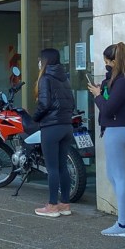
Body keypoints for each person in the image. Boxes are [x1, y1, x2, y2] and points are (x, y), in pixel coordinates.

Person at [87, 42, 125, 235]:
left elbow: (108, 108)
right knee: (114, 175)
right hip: (118, 129)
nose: (106, 65)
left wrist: (97, 95)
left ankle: (123, 223)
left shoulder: (124, 80)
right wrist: (103, 88)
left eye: (107, 62)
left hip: (116, 130)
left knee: (118, 177)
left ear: (114, 61)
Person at [31, 48, 76, 218]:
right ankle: (65, 204)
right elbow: (71, 103)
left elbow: (44, 104)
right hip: (66, 126)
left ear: (44, 61)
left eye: (39, 60)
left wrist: (34, 118)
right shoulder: (64, 78)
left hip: (51, 127)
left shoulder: (45, 79)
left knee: (52, 168)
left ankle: (52, 206)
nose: (38, 63)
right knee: (62, 166)